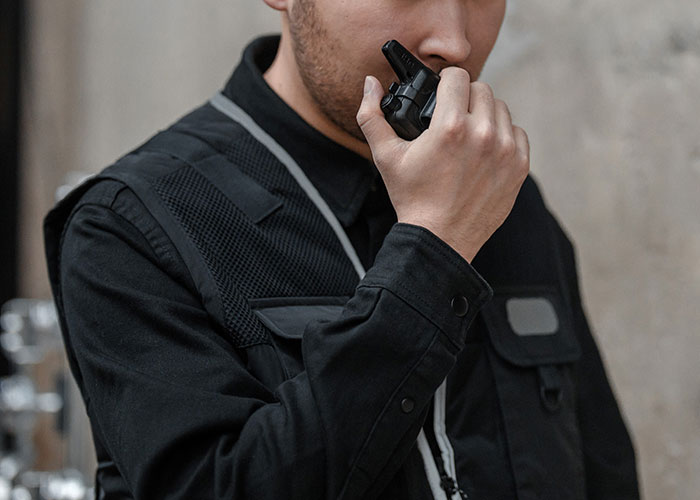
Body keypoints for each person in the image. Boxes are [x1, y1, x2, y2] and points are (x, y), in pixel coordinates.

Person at [44, 0, 640, 499]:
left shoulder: (501, 194)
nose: (454, 43)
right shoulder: (131, 225)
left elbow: (604, 470)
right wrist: (432, 252)